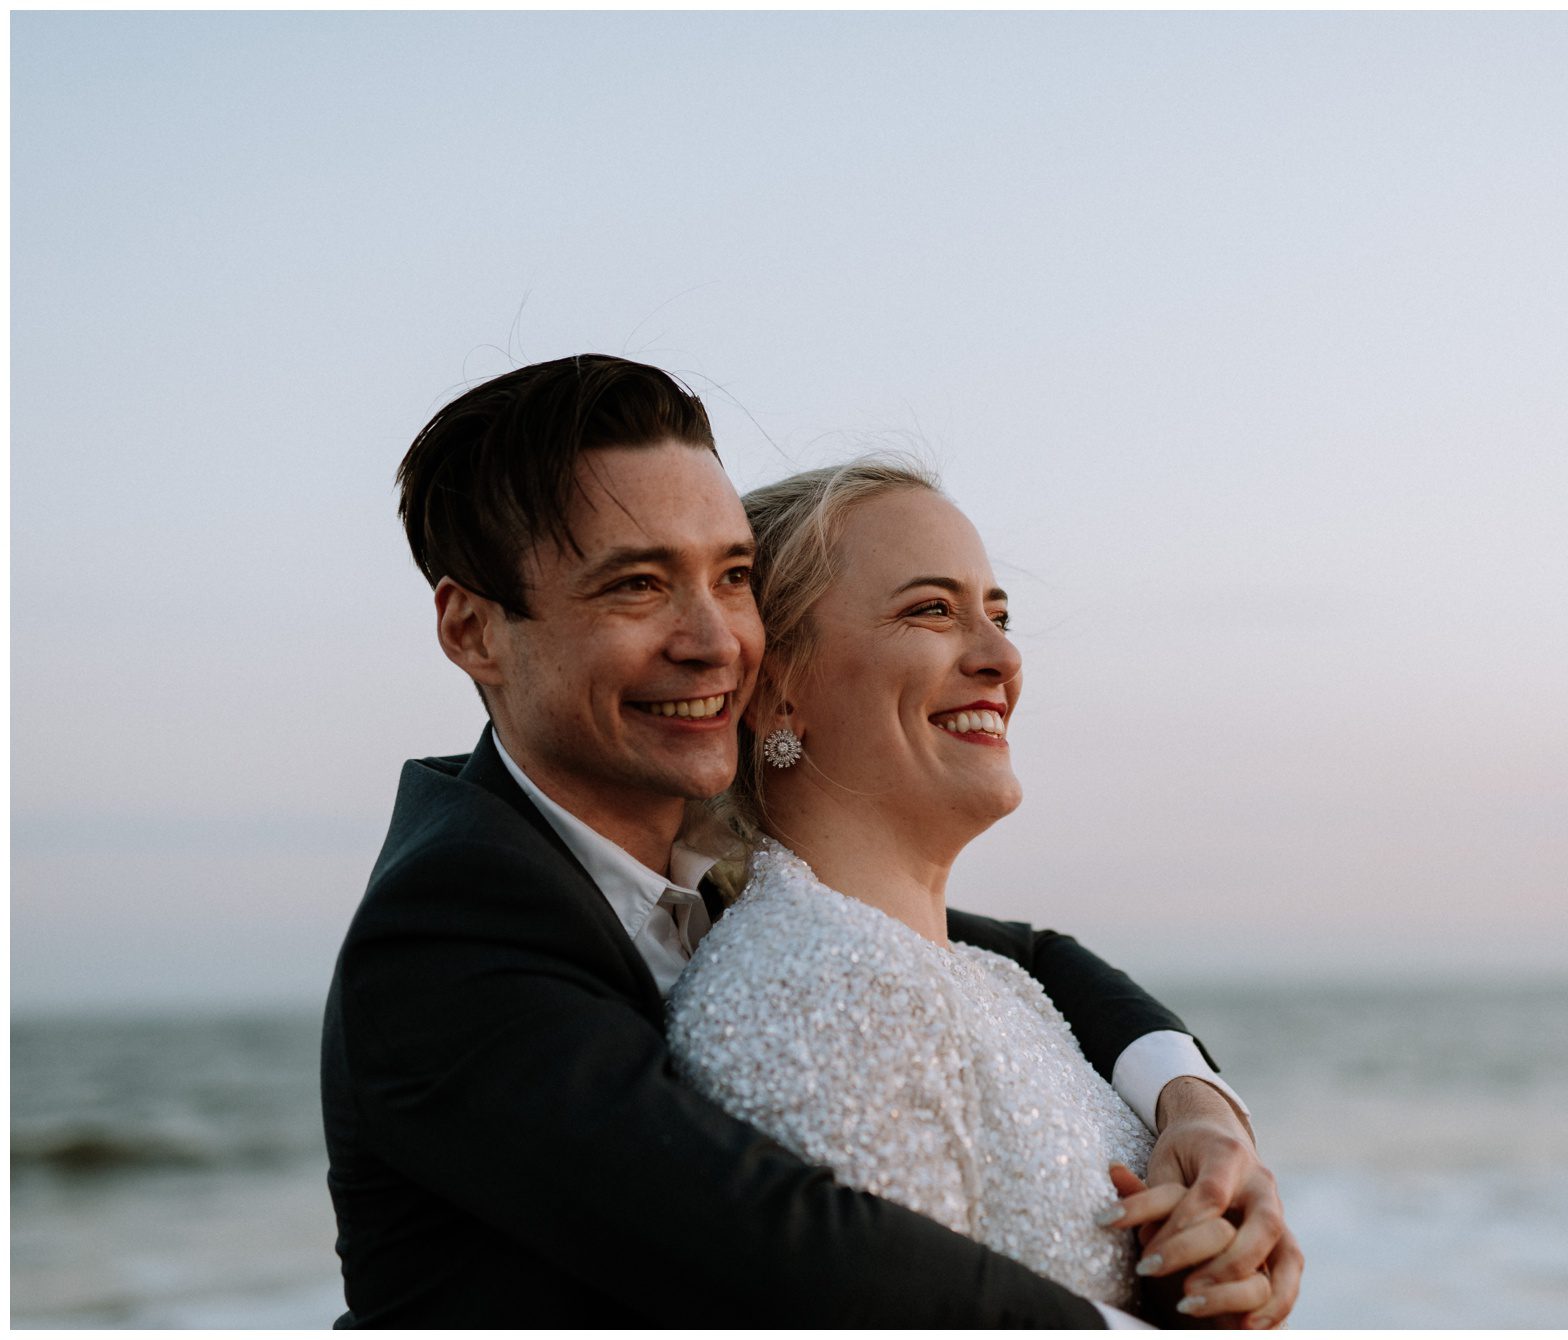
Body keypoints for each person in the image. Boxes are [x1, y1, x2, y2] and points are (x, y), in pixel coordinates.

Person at [320, 354, 1298, 1327]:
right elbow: (784, 1248)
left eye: (732, 576)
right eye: (638, 585)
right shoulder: (447, 928)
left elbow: (1022, 957)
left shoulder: (720, 872)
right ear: (473, 629)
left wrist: (1195, 1109)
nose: (716, 641)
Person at [667, 459, 1304, 1324]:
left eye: (998, 616)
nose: (1002, 658)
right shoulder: (817, 986)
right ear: (778, 692)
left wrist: (1191, 1278)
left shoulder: (994, 981)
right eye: (932, 610)